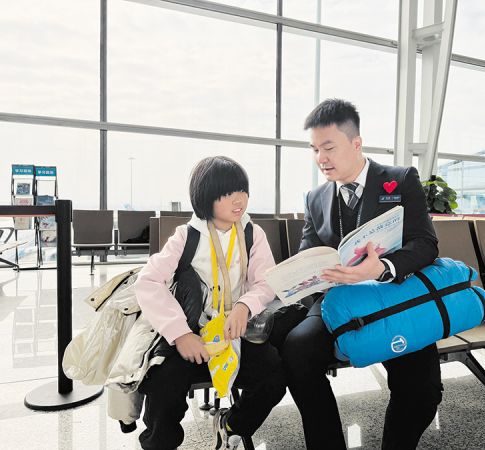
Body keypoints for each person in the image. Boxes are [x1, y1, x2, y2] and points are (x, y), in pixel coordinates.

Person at [282, 99, 443, 450]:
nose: (321, 158)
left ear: (356, 143)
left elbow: (425, 244)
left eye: (328, 148)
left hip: (392, 295)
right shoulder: (315, 198)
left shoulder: (400, 180)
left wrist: (381, 268)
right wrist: (312, 275)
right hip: (337, 299)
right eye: (314, 150)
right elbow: (308, 254)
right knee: (297, 350)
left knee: (422, 390)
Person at [135, 156, 297, 450]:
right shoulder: (186, 236)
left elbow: (266, 282)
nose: (239, 200)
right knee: (162, 385)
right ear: (206, 198)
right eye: (227, 193)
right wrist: (181, 334)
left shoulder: (252, 233)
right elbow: (147, 282)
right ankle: (159, 444)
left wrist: (244, 306)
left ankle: (233, 423)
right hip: (192, 330)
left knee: (274, 376)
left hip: (235, 330)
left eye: (243, 191)